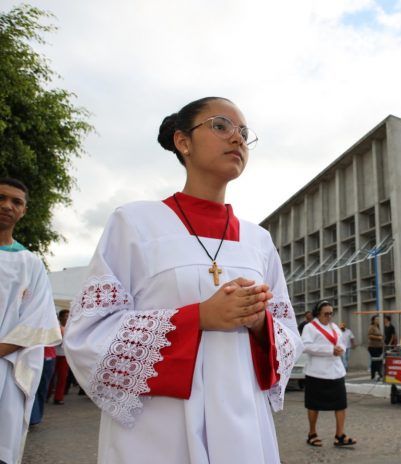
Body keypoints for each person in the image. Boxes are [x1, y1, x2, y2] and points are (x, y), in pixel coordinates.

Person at [63, 97, 302, 464]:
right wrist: (200, 317)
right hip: (160, 423)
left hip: (243, 417)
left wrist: (258, 323)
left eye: (244, 133)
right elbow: (89, 332)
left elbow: (287, 333)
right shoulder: (134, 223)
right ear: (183, 141)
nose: (237, 139)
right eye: (221, 126)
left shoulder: (259, 241)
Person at [0, 177, 62, 464]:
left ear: (23, 211)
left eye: (16, 202)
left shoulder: (31, 264)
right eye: (2, 198)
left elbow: (38, 321)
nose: (7, 206)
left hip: (6, 368)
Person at [301, 301, 356, 448]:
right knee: (313, 405)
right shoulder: (310, 328)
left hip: (336, 371)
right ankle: (312, 434)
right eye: (326, 313)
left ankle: (340, 435)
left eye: (331, 313)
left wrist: (340, 349)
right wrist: (329, 350)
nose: (329, 316)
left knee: (341, 404)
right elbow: (305, 346)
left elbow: (342, 342)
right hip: (316, 373)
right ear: (318, 313)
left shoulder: (335, 327)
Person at [52, 309, 71, 405]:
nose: (67, 318)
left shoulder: (70, 328)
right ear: (60, 317)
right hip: (54, 354)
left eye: (69, 316)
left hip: (64, 355)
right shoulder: (56, 327)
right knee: (51, 377)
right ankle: (47, 394)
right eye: (66, 316)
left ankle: (58, 397)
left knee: (62, 377)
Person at [367, 315, 384, 380]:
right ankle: (376, 374)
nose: (378, 320)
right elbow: (369, 336)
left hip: (379, 347)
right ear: (373, 320)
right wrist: (378, 337)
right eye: (376, 319)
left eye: (378, 319)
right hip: (373, 347)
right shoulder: (371, 327)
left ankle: (376, 375)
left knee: (378, 361)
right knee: (375, 361)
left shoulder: (378, 327)